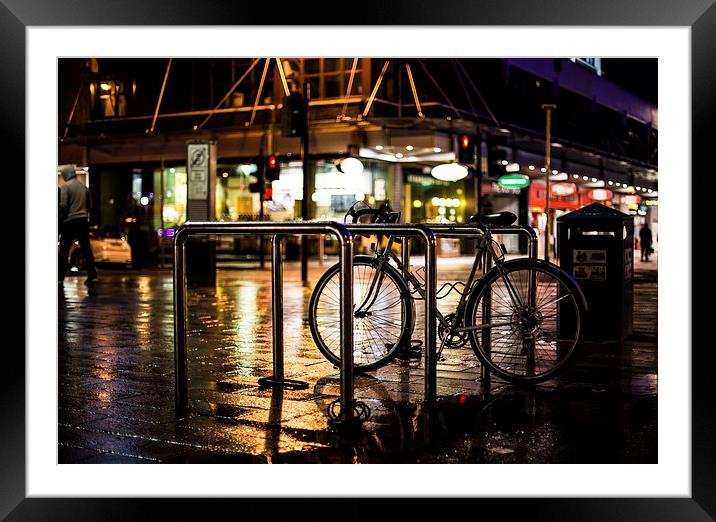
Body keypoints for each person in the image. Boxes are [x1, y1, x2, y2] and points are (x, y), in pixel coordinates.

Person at [58, 165, 97, 286]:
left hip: (70, 221)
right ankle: (92, 275)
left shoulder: (66, 187)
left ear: (66, 174)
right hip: (83, 221)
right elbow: (90, 205)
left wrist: (62, 217)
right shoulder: (83, 187)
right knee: (86, 249)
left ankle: (59, 278)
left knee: (64, 250)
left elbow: (63, 205)